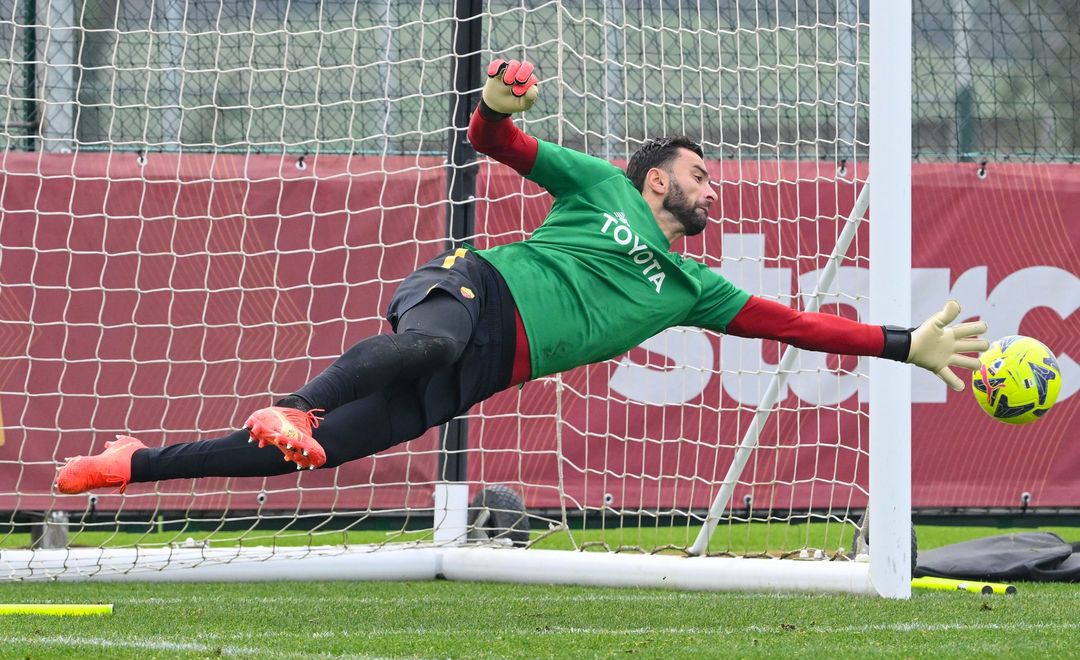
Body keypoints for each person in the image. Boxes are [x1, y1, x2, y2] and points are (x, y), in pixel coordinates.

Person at [55, 59, 989, 494]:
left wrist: (907, 345)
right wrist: (498, 100)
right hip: (471, 286)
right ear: (656, 176)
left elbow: (798, 327)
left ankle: (135, 463)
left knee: (321, 460)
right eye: (702, 171)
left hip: (489, 370)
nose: (716, 185)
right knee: (413, 346)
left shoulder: (693, 288)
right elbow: (496, 140)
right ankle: (296, 402)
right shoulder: (601, 187)